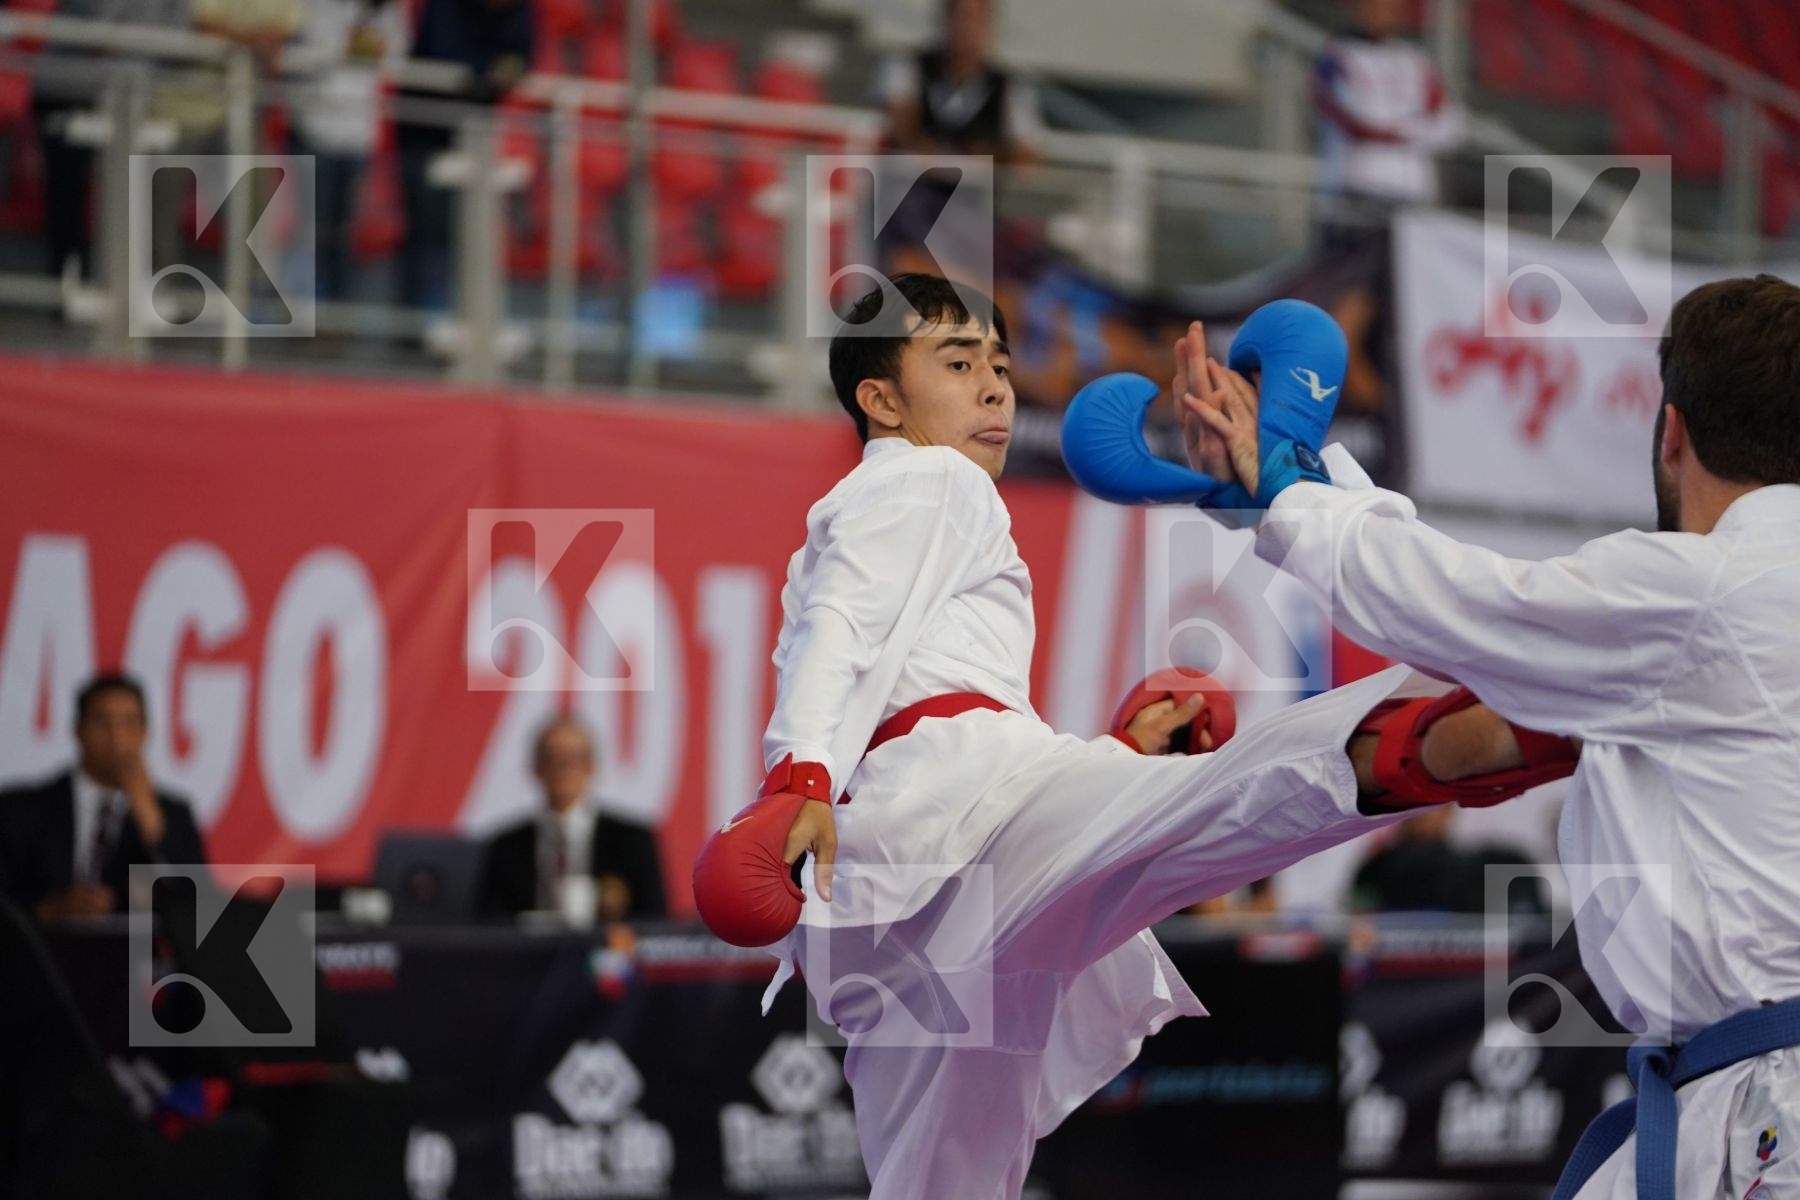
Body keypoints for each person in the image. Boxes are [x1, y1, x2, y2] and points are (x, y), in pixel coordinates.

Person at [692, 273, 1552, 1200]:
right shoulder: (930, 476)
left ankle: (1443, 734)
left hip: (896, 896)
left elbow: (892, 675)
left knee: (938, 1184)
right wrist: (801, 779)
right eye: (956, 361)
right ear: (881, 399)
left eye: (999, 363)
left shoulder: (875, 506)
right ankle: (1447, 733)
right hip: (966, 839)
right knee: (1221, 799)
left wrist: (1118, 757)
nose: (993, 386)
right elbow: (844, 628)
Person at [1182, 274, 1800, 1200]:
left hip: (1767, 1109)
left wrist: (1285, 488)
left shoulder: (1708, 591)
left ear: (1670, 432)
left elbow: (1465, 607)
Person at [0, 673, 207, 922]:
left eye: (129, 723)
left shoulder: (172, 814)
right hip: (39, 953)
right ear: (78, 730)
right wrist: (47, 909)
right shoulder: (21, 809)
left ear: (144, 732)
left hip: (131, 957)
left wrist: (154, 829)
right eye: (102, 722)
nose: (116, 737)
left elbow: (197, 906)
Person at [478, 716, 666, 920]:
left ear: (591, 767)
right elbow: (488, 925)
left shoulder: (632, 841)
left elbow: (655, 923)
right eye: (552, 758)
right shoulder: (506, 847)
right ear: (536, 768)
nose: (563, 768)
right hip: (528, 950)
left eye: (574, 758)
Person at [1312, 0, 1461, 225]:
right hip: (1357, 185)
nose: (1382, 14)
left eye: (1389, 7)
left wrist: (1393, 129)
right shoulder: (1336, 58)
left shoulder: (1415, 61)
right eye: (1373, 7)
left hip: (1413, 190)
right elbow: (1358, 122)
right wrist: (1415, 127)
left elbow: (1450, 127)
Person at [878, 0, 1044, 165]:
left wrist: (992, 156)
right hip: (911, 185)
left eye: (976, 19)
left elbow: (1027, 153)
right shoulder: (908, 68)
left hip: (979, 188)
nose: (967, 28)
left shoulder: (1010, 87)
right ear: (945, 20)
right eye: (961, 16)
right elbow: (902, 129)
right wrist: (937, 160)